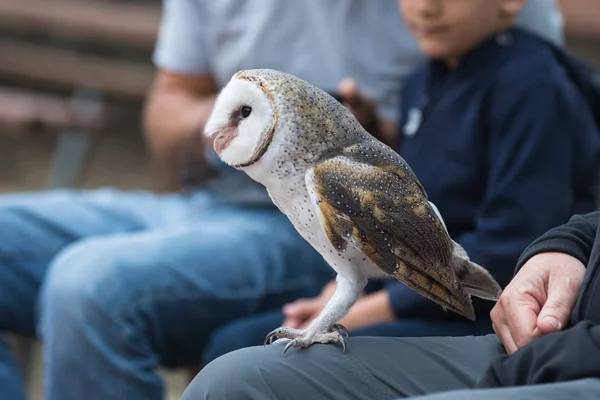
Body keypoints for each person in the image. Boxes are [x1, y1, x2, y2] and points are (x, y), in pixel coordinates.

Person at [0, 1, 565, 400]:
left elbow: (500, 132)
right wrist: (226, 127)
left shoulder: (472, 36)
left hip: (316, 216)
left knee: (90, 285)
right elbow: (168, 109)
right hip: (207, 197)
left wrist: (361, 133)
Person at [181, 0, 600, 397]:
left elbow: (515, 242)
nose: (425, 7)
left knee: (245, 350)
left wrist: (368, 308)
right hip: (418, 285)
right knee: (234, 341)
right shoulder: (427, 77)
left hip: (489, 311)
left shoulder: (534, 86)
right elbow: (415, 204)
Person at [183, 211, 600, 400]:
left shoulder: (535, 86)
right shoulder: (421, 82)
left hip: (559, 351)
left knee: (243, 337)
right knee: (233, 375)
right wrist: (569, 245)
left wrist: (354, 309)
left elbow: (492, 244)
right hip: (548, 338)